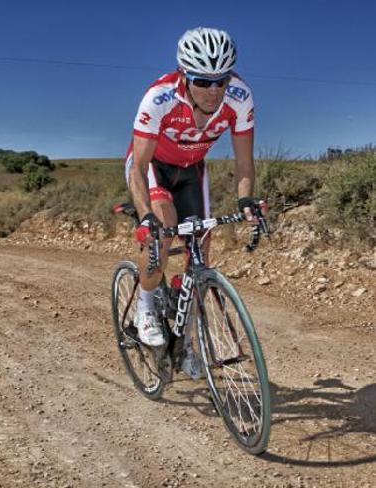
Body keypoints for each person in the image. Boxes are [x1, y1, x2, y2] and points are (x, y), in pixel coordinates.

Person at [125, 27, 258, 374]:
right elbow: (138, 165)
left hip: (191, 170)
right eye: (202, 81)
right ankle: (146, 306)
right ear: (185, 75)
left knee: (200, 253)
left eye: (221, 80)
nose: (214, 91)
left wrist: (246, 200)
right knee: (164, 232)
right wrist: (145, 218)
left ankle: (186, 345)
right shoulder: (160, 98)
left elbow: (244, 162)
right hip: (153, 166)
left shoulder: (239, 97)